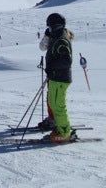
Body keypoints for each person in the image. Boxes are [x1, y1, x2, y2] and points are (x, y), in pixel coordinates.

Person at [38, 12, 75, 142]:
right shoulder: (56, 36)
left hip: (60, 78)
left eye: (50, 27)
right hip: (56, 77)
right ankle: (60, 127)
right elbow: (43, 48)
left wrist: (52, 69)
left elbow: (66, 61)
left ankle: (64, 133)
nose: (49, 29)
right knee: (53, 103)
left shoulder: (61, 39)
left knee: (58, 105)